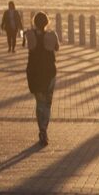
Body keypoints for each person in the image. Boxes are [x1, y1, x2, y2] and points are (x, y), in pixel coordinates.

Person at [25, 12, 59, 147]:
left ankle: (42, 130)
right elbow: (57, 48)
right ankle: (44, 129)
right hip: (49, 72)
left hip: (34, 72)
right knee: (47, 103)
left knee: (39, 103)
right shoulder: (52, 35)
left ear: (34, 22)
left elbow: (28, 45)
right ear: (47, 22)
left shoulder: (30, 35)